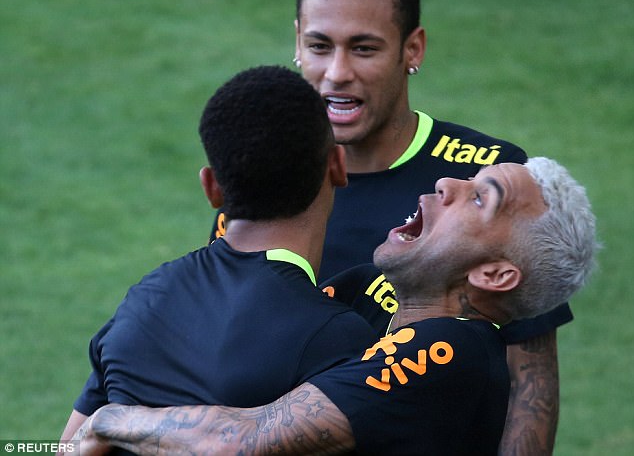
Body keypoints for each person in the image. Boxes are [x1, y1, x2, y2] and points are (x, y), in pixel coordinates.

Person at [207, 0, 572, 453]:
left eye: (364, 48)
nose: (337, 74)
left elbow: (530, 383)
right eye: (319, 46)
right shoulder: (265, 170)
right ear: (297, 43)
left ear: (412, 48)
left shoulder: (486, 180)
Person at [70, 157, 598, 455]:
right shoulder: (363, 291)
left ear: (495, 275)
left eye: (481, 198)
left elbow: (245, 441)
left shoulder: (456, 349)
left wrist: (110, 419)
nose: (446, 183)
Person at [57, 66, 379, 449]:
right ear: (337, 165)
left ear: (211, 188)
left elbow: (70, 445)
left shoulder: (143, 300)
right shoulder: (338, 336)